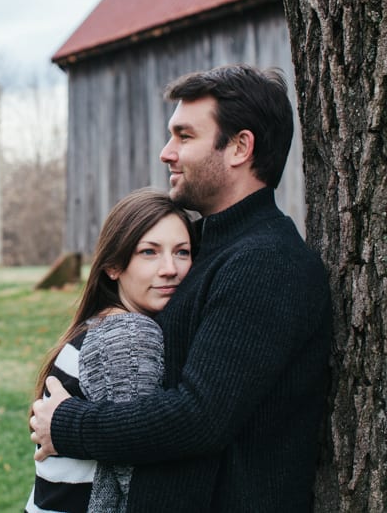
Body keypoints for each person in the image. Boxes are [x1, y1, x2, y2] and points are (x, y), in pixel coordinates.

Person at [29, 64, 332, 512]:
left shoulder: (267, 262)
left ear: (239, 148)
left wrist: (69, 426)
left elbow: (200, 419)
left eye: (184, 136)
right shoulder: (211, 246)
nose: (166, 152)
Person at [25, 188, 195, 513]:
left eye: (182, 252)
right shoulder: (128, 335)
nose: (170, 268)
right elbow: (137, 473)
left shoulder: (98, 324)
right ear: (114, 266)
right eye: (149, 252)